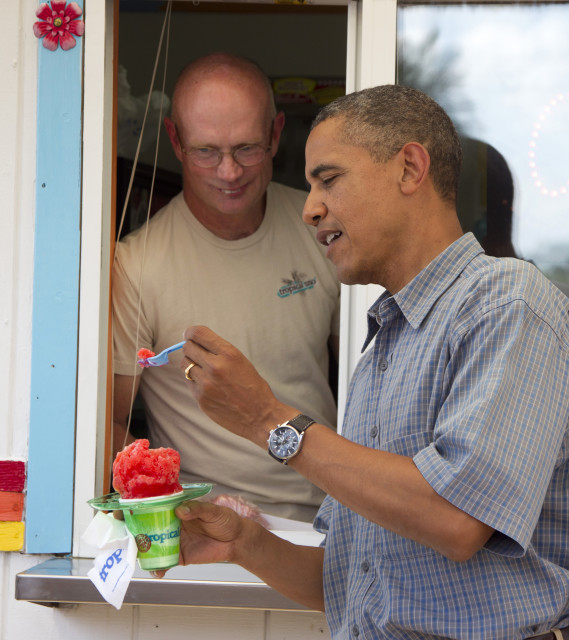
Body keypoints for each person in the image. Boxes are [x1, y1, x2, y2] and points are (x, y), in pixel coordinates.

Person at [163, 85, 569, 640]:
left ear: (409, 167)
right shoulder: (384, 345)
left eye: (328, 179)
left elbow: (457, 519)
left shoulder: (506, 303)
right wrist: (242, 544)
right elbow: (354, 582)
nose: (309, 208)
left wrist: (268, 421)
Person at [112, 53, 341, 522]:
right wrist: (179, 507)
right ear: (175, 140)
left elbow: (369, 375)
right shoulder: (136, 264)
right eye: (206, 151)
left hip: (332, 517)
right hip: (207, 527)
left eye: (247, 148)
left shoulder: (324, 229)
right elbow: (111, 424)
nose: (229, 172)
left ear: (277, 134)